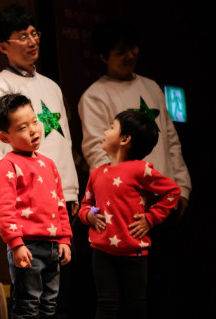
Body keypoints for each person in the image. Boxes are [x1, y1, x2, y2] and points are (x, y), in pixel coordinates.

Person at [78, 110, 179, 319]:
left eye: (111, 127)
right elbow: (86, 205)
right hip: (102, 251)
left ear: (125, 139)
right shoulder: (97, 172)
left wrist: (150, 218)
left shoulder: (141, 170)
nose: (105, 132)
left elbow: (172, 192)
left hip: (135, 251)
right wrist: (89, 215)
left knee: (136, 304)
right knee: (106, 302)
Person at [0, 93, 79, 319]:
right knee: (27, 304)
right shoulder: (6, 166)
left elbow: (60, 204)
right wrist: (16, 244)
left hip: (52, 246)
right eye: (23, 127)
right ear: (5, 137)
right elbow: (4, 211)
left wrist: (64, 239)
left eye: (35, 122)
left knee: (48, 306)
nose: (34, 130)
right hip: (27, 246)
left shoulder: (49, 164)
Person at [78, 17, 190, 212]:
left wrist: (182, 188)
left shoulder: (152, 87)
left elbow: (171, 142)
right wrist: (116, 195)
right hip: (128, 201)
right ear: (104, 57)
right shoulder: (94, 96)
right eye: (121, 52)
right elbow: (97, 152)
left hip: (165, 196)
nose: (130, 56)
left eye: (133, 48)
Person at [0, 4, 78, 209]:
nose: (32, 42)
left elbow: (64, 143)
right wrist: (0, 201)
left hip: (63, 195)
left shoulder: (52, 86)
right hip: (27, 199)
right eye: (23, 37)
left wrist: (71, 191)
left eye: (34, 33)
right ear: (3, 47)